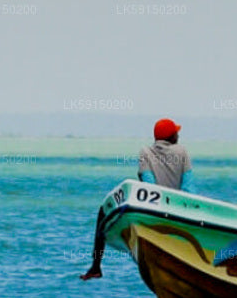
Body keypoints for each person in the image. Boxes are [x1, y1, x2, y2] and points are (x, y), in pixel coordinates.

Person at [80, 117, 194, 280]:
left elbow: (149, 185)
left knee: (102, 212)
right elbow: (188, 188)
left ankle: (96, 266)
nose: (178, 136)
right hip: (178, 210)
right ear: (171, 137)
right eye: (176, 133)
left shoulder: (145, 152)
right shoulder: (182, 152)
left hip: (153, 210)